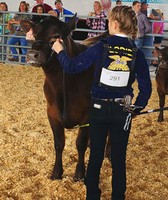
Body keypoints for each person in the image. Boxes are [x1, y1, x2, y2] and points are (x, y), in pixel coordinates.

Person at [52, 5, 152, 200]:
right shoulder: (136, 52)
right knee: (118, 158)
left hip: (97, 108)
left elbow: (72, 67)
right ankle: (117, 196)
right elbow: (146, 89)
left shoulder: (101, 46)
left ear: (114, 24)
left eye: (108, 22)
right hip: (123, 110)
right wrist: (136, 108)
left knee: (96, 155)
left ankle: (92, 195)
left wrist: (59, 50)